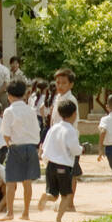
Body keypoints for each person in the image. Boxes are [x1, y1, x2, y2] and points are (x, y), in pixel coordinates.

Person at [0, 79, 40, 221]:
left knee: (11, 182)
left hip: (16, 147)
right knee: (27, 182)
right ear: (24, 94)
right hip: (31, 147)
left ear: (9, 95)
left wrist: (9, 145)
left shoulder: (9, 111)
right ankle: (26, 212)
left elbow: (5, 133)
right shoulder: (31, 110)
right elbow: (37, 129)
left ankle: (10, 212)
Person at [40, 67, 81, 209]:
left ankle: (70, 202)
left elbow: (73, 122)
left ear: (71, 84)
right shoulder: (57, 98)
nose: (60, 86)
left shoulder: (71, 100)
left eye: (64, 83)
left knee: (72, 171)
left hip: (68, 139)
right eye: (58, 82)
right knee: (61, 170)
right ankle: (62, 199)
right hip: (56, 139)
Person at [41, 100, 82, 222]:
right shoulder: (71, 131)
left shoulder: (54, 128)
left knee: (53, 194)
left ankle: (46, 196)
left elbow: (45, 145)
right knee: (66, 195)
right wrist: (82, 149)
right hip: (63, 166)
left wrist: (45, 158)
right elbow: (75, 149)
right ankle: (58, 220)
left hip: (51, 165)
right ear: (74, 114)